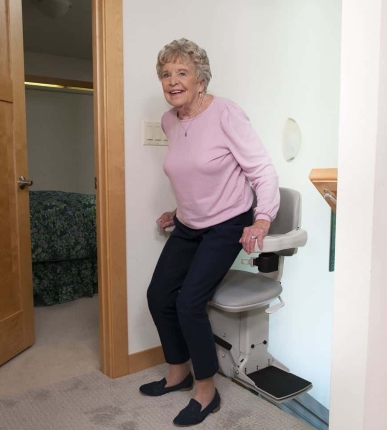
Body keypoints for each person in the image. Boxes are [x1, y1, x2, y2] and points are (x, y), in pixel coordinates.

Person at [140, 38, 280, 427]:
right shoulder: (171, 120)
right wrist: (178, 209)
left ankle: (206, 390)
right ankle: (177, 372)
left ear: (200, 79)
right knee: (158, 295)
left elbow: (262, 171)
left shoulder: (226, 114)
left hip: (227, 223)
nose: (172, 81)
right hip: (189, 224)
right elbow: (192, 172)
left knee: (188, 303)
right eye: (166, 74)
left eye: (182, 72)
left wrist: (263, 218)